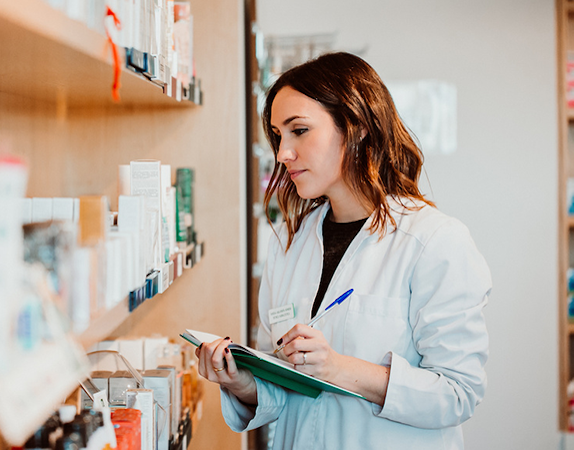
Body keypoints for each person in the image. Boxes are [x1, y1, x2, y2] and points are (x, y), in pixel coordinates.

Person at [195, 51, 491, 450]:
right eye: (278, 135)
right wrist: (243, 382)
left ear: (356, 127)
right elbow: (288, 384)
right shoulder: (289, 243)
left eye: (299, 130)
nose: (283, 153)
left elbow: (458, 393)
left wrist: (338, 368)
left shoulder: (434, 242)